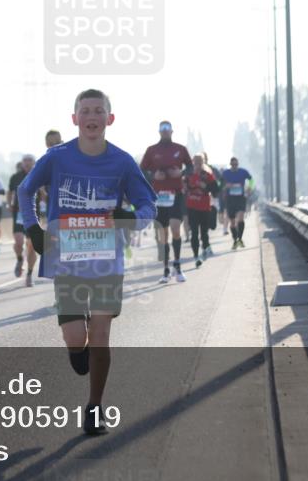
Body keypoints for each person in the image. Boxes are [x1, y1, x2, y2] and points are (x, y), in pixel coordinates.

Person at [19, 89, 155, 436]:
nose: (92, 117)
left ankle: (95, 408)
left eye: (98, 111)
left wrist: (129, 217)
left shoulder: (123, 162)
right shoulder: (56, 157)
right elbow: (25, 190)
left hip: (108, 262)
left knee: (100, 335)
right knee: (76, 338)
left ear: (110, 118)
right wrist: (33, 229)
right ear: (74, 118)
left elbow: (148, 207)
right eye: (85, 111)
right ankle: (77, 352)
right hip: (68, 262)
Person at [140, 121, 192, 283]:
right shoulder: (151, 150)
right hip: (159, 196)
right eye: (162, 129)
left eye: (167, 129)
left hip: (176, 194)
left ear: (171, 131)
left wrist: (181, 173)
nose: (165, 131)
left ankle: (178, 266)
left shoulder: (180, 149)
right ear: (159, 131)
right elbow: (141, 170)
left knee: (175, 230)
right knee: (163, 235)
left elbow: (190, 167)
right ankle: (166, 270)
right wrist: (153, 175)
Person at [184, 153, 219, 267]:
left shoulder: (207, 175)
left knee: (204, 232)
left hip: (204, 207)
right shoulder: (188, 175)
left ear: (203, 162)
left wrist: (206, 187)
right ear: (193, 162)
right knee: (194, 232)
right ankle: (196, 256)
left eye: (200, 162)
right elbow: (182, 188)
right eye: (196, 162)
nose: (198, 164)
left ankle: (204, 248)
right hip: (192, 207)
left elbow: (216, 191)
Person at [7, 154, 37, 286]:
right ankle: (20, 259)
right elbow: (9, 192)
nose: (27, 162)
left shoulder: (40, 175)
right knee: (18, 242)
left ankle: (29, 274)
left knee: (31, 247)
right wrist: (9, 204)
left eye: (29, 160)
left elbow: (46, 196)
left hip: (34, 215)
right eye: (25, 160)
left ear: (34, 162)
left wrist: (42, 191)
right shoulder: (15, 177)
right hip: (19, 213)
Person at [222, 157, 253, 249]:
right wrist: (226, 186)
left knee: (240, 218)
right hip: (230, 199)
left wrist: (250, 188)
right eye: (233, 165)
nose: (234, 166)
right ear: (230, 164)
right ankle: (235, 240)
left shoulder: (243, 172)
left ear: (238, 164)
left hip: (240, 198)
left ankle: (240, 238)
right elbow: (219, 184)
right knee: (232, 222)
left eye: (236, 164)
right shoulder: (225, 173)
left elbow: (251, 180)